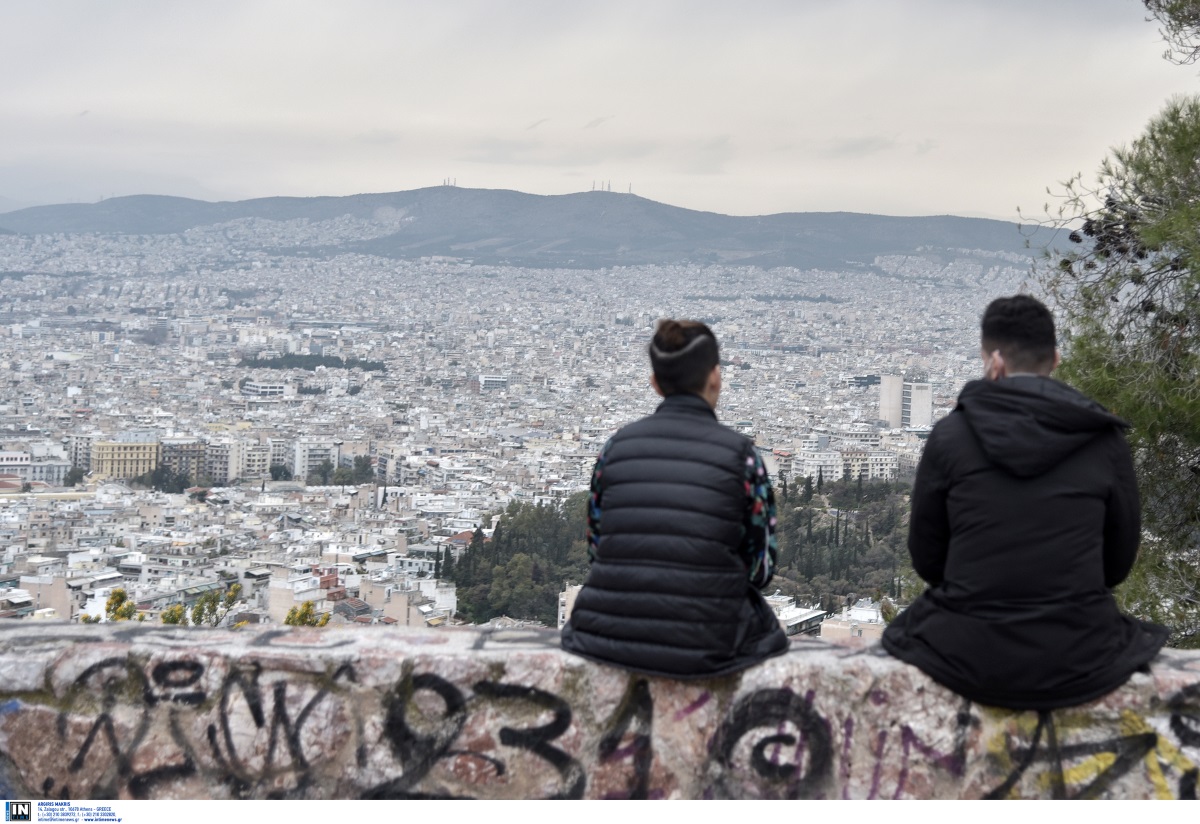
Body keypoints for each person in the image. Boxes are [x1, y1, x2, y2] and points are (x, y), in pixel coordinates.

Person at [882, 295, 1168, 710]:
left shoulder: (950, 436)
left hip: (965, 647)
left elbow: (928, 559)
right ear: (1055, 359)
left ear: (993, 362)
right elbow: (1117, 563)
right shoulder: (1104, 438)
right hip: (1081, 650)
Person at [561, 319, 789, 679]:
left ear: (655, 383)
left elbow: (597, 549)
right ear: (716, 376)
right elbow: (760, 568)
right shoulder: (742, 457)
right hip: (712, 643)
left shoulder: (616, 449)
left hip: (606, 636)